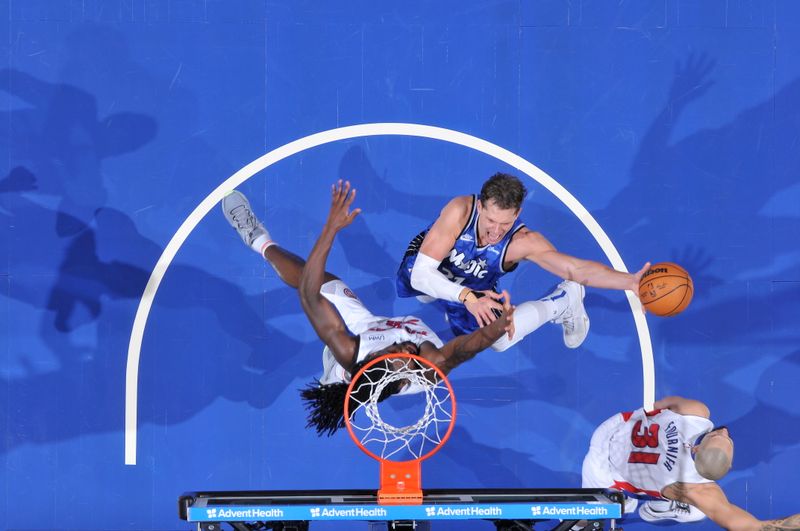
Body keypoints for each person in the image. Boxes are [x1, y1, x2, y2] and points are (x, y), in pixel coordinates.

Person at [222, 181, 515, 436]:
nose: (407, 347)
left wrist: (331, 227)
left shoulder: (351, 350)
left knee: (321, 285)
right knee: (327, 290)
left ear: (376, 355)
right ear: (407, 373)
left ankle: (256, 238)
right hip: (380, 343)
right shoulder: (428, 364)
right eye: (409, 357)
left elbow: (310, 296)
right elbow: (466, 348)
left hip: (365, 331)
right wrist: (495, 329)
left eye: (396, 352)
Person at [396, 172, 650, 351]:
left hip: (477, 287)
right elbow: (420, 274)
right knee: (419, 284)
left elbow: (576, 269)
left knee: (499, 339)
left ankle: (564, 301)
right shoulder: (460, 211)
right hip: (441, 269)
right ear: (481, 207)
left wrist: (629, 281)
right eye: (491, 221)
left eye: (505, 223)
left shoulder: (524, 242)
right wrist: (464, 297)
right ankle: (447, 295)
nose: (496, 231)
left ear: (518, 213)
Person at [582, 396, 800, 530]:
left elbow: (657, 405)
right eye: (726, 438)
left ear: (696, 448)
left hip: (611, 432)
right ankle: (643, 504)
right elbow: (748, 526)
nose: (724, 431)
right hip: (606, 473)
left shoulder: (696, 412)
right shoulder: (696, 489)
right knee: (699, 511)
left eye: (719, 436)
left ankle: (639, 502)